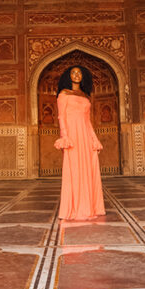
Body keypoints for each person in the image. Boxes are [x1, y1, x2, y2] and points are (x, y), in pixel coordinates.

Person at [55, 65, 105, 220]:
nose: (76, 75)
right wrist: (65, 137)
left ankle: (90, 206)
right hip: (72, 136)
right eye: (73, 72)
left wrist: (94, 140)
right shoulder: (64, 94)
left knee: (88, 170)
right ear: (68, 76)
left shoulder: (85, 95)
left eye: (79, 73)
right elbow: (61, 117)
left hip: (84, 135)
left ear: (83, 77)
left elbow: (87, 121)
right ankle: (75, 208)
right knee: (74, 170)